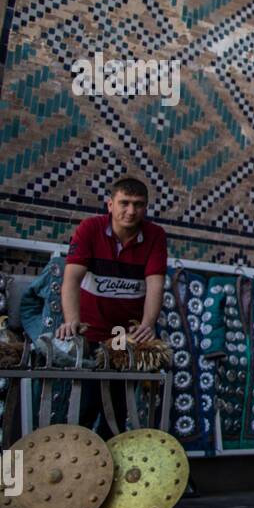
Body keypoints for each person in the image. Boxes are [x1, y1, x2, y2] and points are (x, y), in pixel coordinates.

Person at [56, 176, 168, 437]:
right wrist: (71, 319)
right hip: (91, 331)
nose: (130, 211)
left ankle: (109, 470)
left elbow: (155, 284)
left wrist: (148, 324)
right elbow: (71, 279)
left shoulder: (154, 235)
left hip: (123, 338)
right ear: (110, 204)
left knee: (116, 411)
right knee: (84, 405)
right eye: (124, 203)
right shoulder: (90, 228)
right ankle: (76, 468)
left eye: (138, 205)